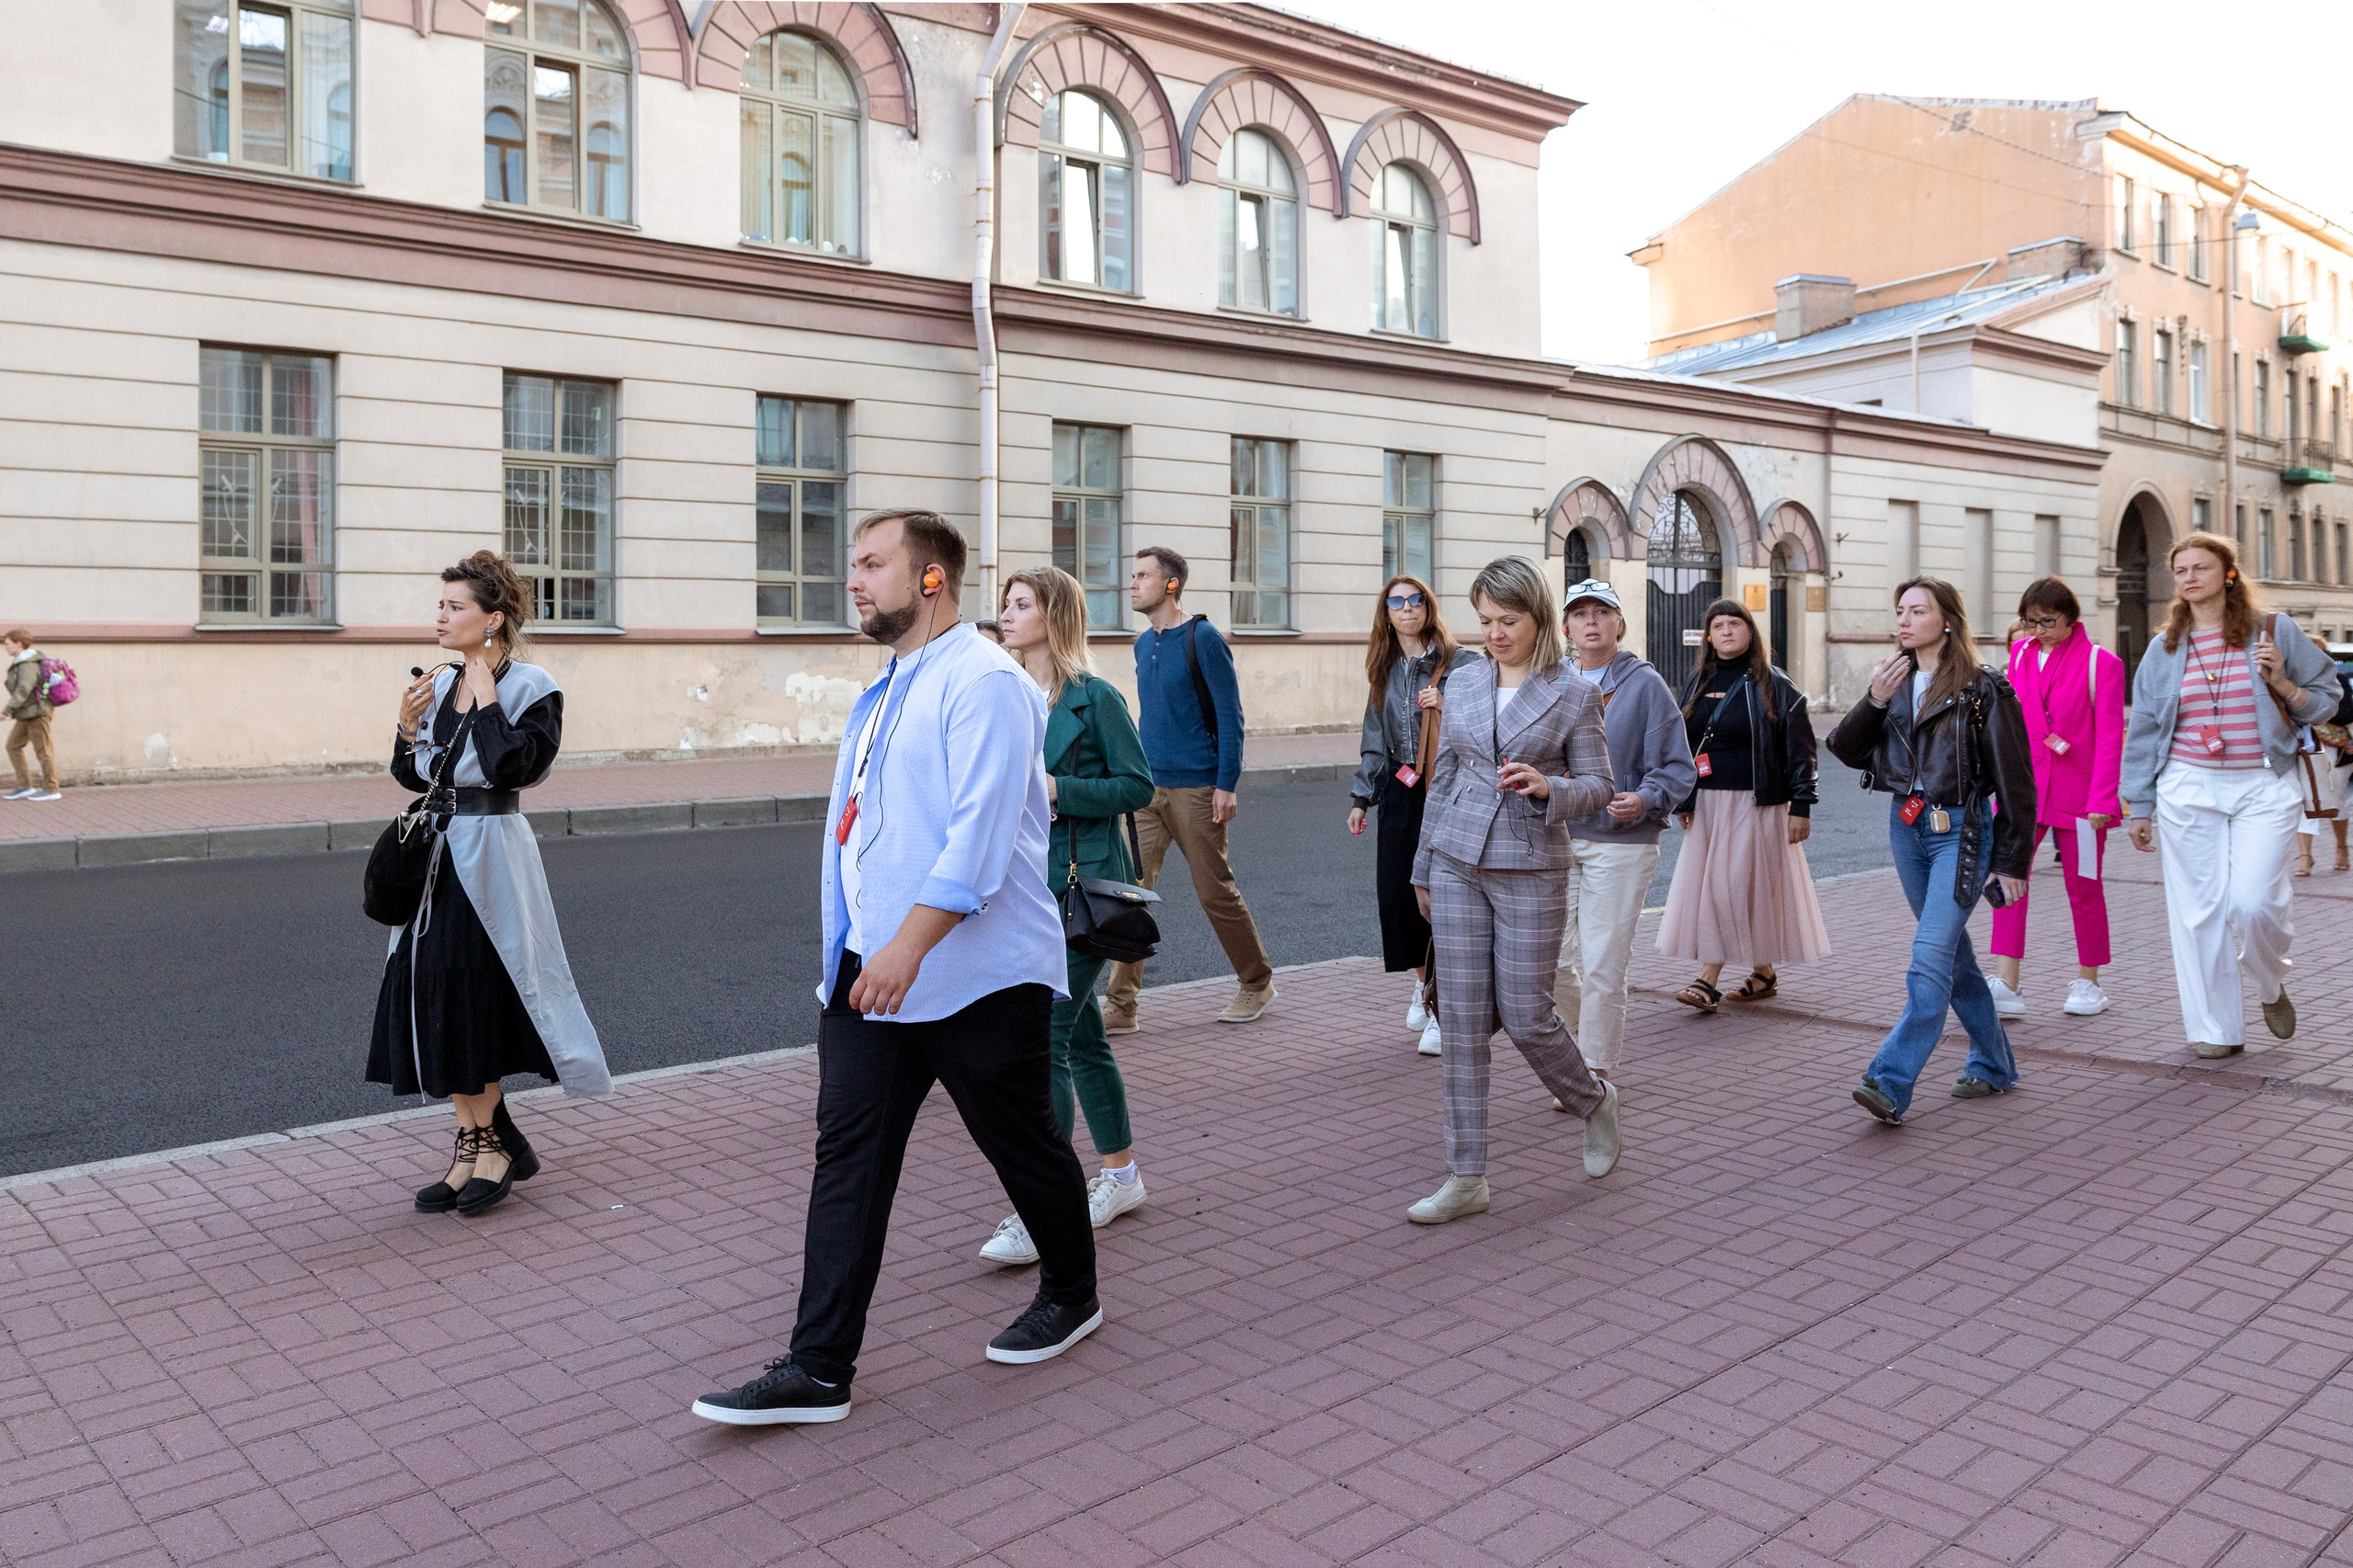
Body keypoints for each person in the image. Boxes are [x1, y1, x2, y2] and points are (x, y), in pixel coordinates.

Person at [692, 510, 1097, 1428]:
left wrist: (906, 946)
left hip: (975, 975)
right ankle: (818, 1364)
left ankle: (1073, 1290)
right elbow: (863, 829)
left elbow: (980, 836)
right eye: (854, 563)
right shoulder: (885, 689)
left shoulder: (984, 679)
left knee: (1021, 1143)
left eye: (873, 562)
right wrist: (853, 949)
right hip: (869, 973)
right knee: (849, 1156)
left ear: (931, 580)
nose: (854, 578)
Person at [368, 551, 611, 1215]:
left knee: (475, 990)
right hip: (436, 858)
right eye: (440, 604)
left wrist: (486, 702)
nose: (441, 616)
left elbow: (515, 770)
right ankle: (476, 1142)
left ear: (492, 618)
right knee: (433, 991)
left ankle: (492, 1146)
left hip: (494, 858)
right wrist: (406, 724)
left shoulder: (533, 684)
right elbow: (417, 777)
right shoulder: (440, 683)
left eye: (455, 606)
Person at [1404, 556, 1622, 1225]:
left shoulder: (1575, 693)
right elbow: (1442, 778)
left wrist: (1551, 787)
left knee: (1527, 1014)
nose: (1495, 633)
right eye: (1486, 621)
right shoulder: (1465, 681)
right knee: (1464, 1022)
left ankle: (1592, 1100)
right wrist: (1421, 867)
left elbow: (1601, 787)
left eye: (1509, 621)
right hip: (1457, 861)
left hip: (1530, 864)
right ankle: (1466, 1175)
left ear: (1539, 619)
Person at [976, 565, 1156, 1268]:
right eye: (1006, 604)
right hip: (1024, 886)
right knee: (1083, 1037)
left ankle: (1037, 1206)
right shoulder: (1007, 695)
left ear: (1055, 615)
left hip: (1083, 889)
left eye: (1022, 604)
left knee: (1046, 1031)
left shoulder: (1095, 697)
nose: (1008, 614)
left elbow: (1137, 784)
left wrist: (1061, 788)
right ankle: (1121, 1176)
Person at [2120, 531, 2340, 1060]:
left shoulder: (2274, 632)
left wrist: (2285, 685)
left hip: (2264, 784)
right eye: (2181, 570)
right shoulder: (2164, 647)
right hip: (2187, 786)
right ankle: (2217, 1029)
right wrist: (2140, 804)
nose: (2190, 578)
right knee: (2199, 913)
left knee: (2253, 901)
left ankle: (2268, 984)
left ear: (2228, 575)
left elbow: (2330, 701)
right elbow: (2146, 729)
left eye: (2201, 567)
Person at [1827, 577, 2035, 1124]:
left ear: (1947, 620)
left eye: (1917, 610)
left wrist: (2013, 860)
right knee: (1953, 957)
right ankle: (1994, 1063)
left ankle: (1890, 1080)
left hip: (1962, 831)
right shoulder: (1893, 681)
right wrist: (1873, 698)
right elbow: (1844, 749)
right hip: (1907, 827)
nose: (1904, 620)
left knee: (1928, 956)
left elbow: (2017, 779)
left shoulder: (1983, 687)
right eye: (1899, 610)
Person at [1103, 547, 1277, 1031]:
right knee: (1127, 892)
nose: (1132, 584)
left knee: (1214, 892)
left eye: (1142, 575)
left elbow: (1230, 715)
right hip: (1146, 788)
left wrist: (1227, 784)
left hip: (1198, 788)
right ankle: (1122, 1004)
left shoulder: (1203, 639)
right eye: (1131, 574)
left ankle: (1257, 982)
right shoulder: (1141, 644)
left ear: (1171, 584)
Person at [1553, 579, 1697, 1086]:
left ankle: (1591, 1071)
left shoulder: (1645, 685)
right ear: (1566, 626)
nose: (1590, 622)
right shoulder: (1552, 681)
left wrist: (1645, 798)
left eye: (1601, 612)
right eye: (1580, 613)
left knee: (1602, 963)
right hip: (1557, 836)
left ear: (1619, 623)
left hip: (1621, 842)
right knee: (1549, 962)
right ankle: (1574, 1050)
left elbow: (1679, 769)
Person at [1656, 598, 1828, 1012]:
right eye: (1719, 625)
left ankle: (1706, 979)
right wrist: (1685, 797)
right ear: (1709, 636)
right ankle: (1764, 973)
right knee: (1742, 888)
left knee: (1726, 885)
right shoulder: (1699, 678)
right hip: (1710, 805)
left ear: (1750, 632)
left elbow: (1801, 748)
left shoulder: (1774, 683)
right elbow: (1687, 744)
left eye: (1736, 623)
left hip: (1756, 804)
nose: (1727, 631)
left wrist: (1801, 804)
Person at [1347, 574, 1477, 1057]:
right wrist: (1361, 799)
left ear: (1428, 606)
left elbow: (1491, 718)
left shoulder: (1460, 662)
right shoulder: (1383, 670)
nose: (1406, 608)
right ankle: (1427, 986)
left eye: (1415, 600)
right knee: (1398, 899)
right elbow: (1373, 741)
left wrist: (1448, 703)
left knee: (1442, 899)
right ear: (1386, 612)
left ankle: (1444, 1009)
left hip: (1448, 789)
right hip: (1401, 792)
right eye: (1396, 602)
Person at [1987, 577, 2125, 1018]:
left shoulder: (2101, 664)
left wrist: (2104, 799)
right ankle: (2007, 980)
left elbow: (2109, 736)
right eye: (2030, 622)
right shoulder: (2020, 654)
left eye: (2047, 621)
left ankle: (2089, 982)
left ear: (2071, 618)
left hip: (2082, 796)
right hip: (2025, 791)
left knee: (2084, 886)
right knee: (2008, 880)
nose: (2038, 630)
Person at [2291, 664, 2353, 876]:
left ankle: (2341, 848)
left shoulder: (2338, 679)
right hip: (2303, 747)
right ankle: (2305, 856)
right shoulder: (2291, 678)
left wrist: (2312, 709)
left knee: (2335, 800)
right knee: (2306, 800)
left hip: (2336, 750)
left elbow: (2347, 712)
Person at [3, 629, 61, 801]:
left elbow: (23, 690)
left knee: (43, 750)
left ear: (19, 644)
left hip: (38, 713)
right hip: (27, 713)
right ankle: (25, 786)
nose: (5, 647)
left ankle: (52, 789)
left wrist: (6, 710)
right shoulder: (21, 662)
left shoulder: (28, 664)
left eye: (8, 644)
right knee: (13, 746)